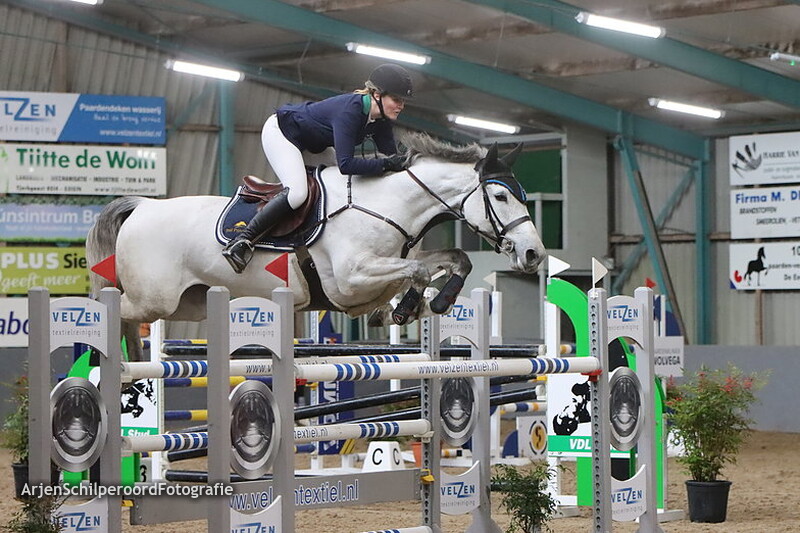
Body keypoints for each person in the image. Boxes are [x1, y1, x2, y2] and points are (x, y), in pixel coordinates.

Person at [222, 63, 414, 273]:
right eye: (396, 100)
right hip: (283, 133)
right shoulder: (350, 110)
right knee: (297, 193)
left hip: (314, 144)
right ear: (377, 95)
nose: (401, 106)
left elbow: (392, 158)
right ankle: (242, 241)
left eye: (403, 101)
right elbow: (346, 164)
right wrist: (386, 164)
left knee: (342, 188)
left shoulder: (381, 120)